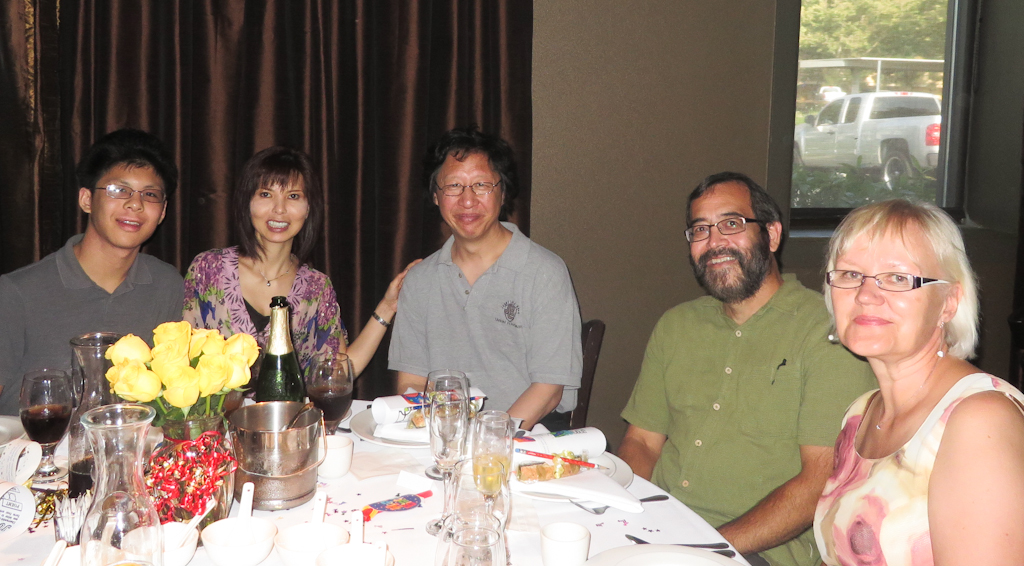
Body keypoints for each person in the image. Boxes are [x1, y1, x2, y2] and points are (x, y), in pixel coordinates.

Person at [618, 172, 875, 566]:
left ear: (771, 235)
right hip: (658, 530)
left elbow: (818, 483)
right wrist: (624, 513)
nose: (714, 242)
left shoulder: (827, 334)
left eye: (731, 223)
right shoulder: (676, 325)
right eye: (700, 229)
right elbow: (641, 443)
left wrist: (701, 551)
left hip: (759, 549)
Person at [813, 200, 1024, 565]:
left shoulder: (980, 421)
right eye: (850, 274)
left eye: (897, 278)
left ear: (949, 303)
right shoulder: (861, 413)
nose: (865, 294)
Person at [388, 127, 583, 431]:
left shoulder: (545, 273)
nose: (468, 201)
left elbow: (548, 390)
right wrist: (436, 432)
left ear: (503, 192)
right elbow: (411, 381)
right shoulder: (419, 280)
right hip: (443, 436)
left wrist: (487, 440)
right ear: (436, 196)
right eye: (453, 185)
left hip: (527, 437)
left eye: (481, 185)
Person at [183, 147, 414, 378]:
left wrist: (387, 307)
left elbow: (338, 373)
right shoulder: (208, 269)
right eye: (266, 194)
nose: (279, 209)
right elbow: (180, 360)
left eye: (293, 196)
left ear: (308, 208)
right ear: (247, 202)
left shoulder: (316, 287)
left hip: (292, 404)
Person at [0, 128, 184, 415]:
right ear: (86, 199)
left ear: (162, 212)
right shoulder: (17, 292)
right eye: (119, 190)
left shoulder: (167, 285)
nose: (135, 204)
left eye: (150, 194)